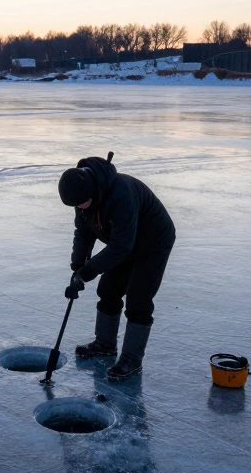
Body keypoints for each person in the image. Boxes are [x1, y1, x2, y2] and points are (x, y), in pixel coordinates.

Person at [58, 154, 175, 381]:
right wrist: (77, 267)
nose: (79, 207)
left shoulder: (121, 194)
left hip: (153, 243)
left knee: (138, 301)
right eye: (75, 205)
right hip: (123, 242)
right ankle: (105, 344)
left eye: (81, 203)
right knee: (108, 290)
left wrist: (87, 272)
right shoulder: (83, 195)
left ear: (92, 192)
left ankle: (131, 359)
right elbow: (83, 232)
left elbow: (121, 247)